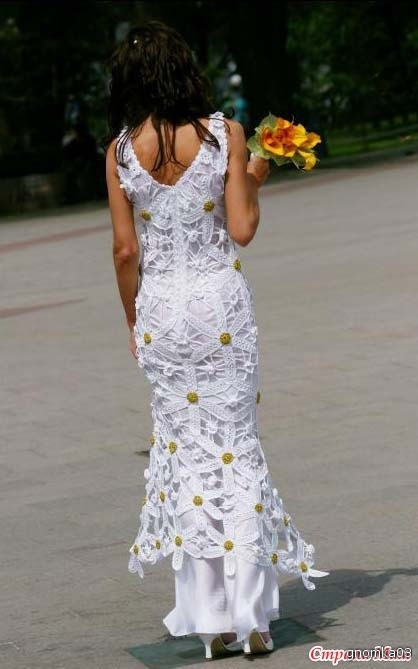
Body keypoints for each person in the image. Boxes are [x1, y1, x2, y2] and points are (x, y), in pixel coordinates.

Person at [105, 21, 329, 660]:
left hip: (162, 312)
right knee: (236, 448)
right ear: (186, 69)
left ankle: (212, 623)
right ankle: (252, 618)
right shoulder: (223, 134)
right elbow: (242, 227)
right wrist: (254, 172)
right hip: (220, 308)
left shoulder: (119, 152)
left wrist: (133, 321)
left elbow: (125, 250)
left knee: (186, 456)